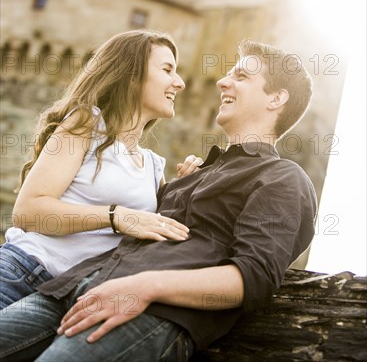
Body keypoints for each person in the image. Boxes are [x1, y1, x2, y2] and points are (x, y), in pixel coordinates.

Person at [0, 40, 318, 362]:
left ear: (276, 98)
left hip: (148, 310)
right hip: (70, 287)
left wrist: (144, 287)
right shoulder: (192, 175)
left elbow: (254, 276)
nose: (222, 81)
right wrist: (190, 182)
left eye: (241, 77)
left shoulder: (283, 178)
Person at [0, 29, 202, 309]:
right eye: (167, 69)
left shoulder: (154, 167)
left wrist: (192, 185)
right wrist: (115, 216)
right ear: (132, 75)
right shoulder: (86, 123)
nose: (179, 82)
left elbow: (164, 238)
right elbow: (28, 212)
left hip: (68, 297)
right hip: (22, 272)